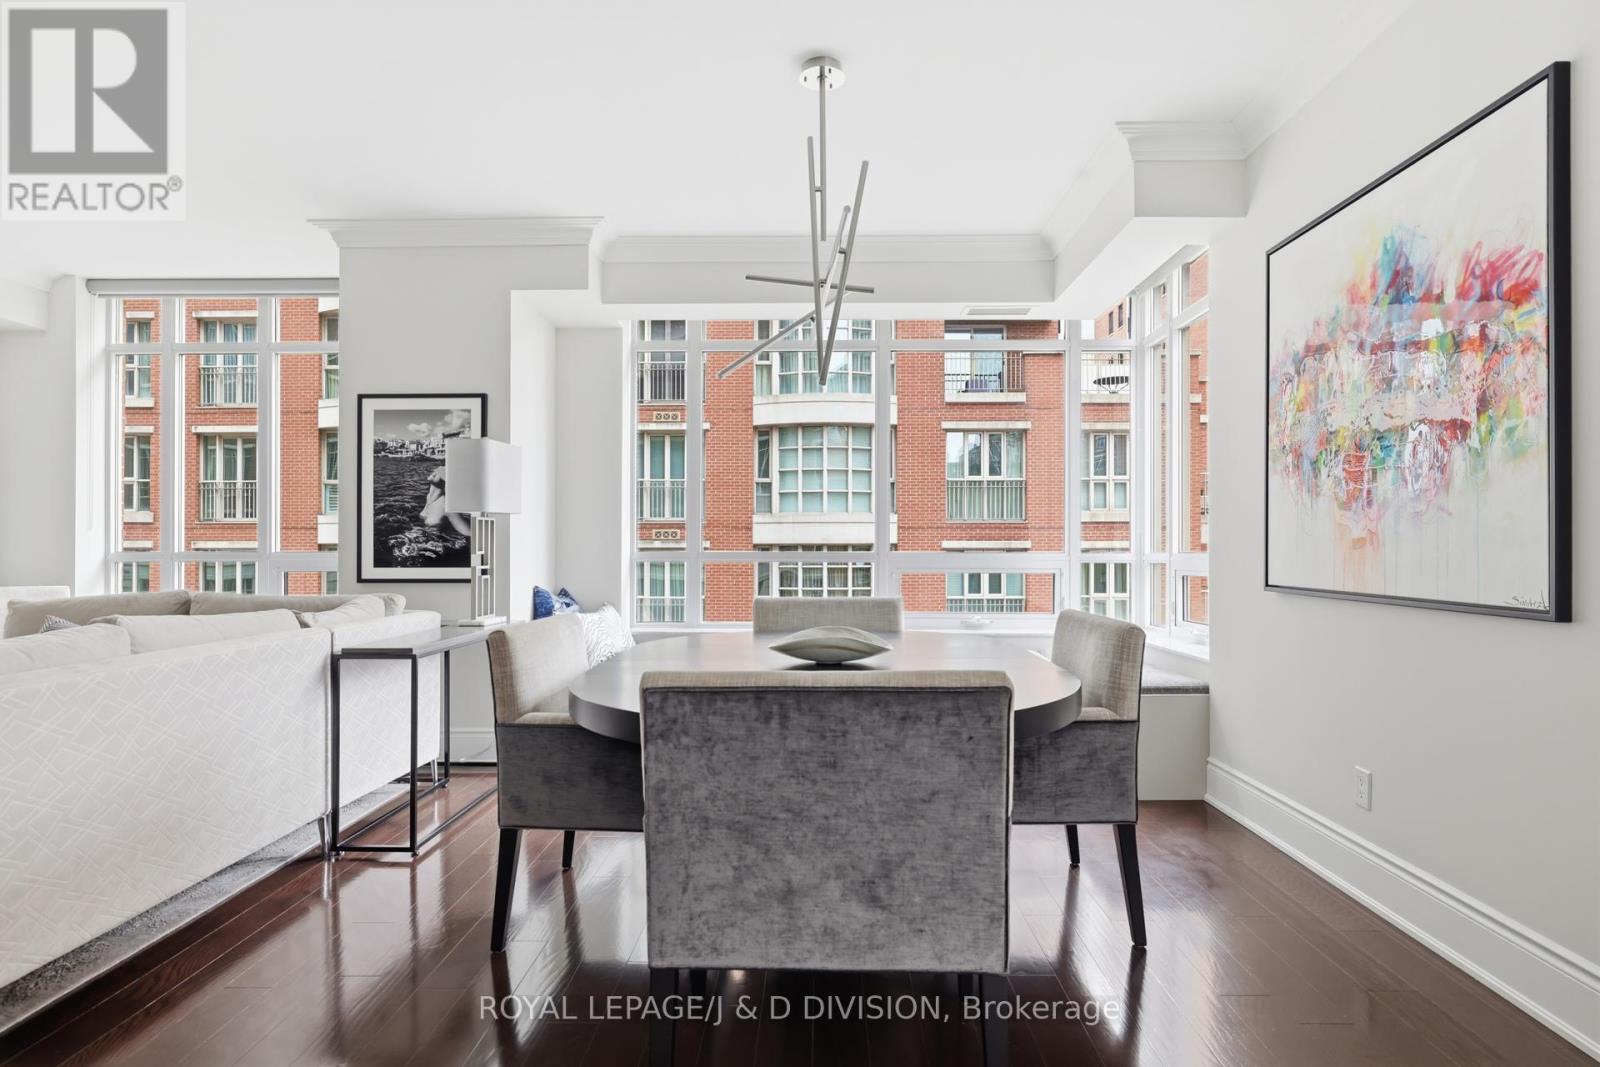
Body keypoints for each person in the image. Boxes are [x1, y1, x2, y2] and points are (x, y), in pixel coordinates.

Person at [420, 466, 471, 536]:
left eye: (442, 473)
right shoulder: (429, 497)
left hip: (434, 544)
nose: (436, 472)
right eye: (436, 471)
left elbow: (469, 533)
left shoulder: (446, 505)